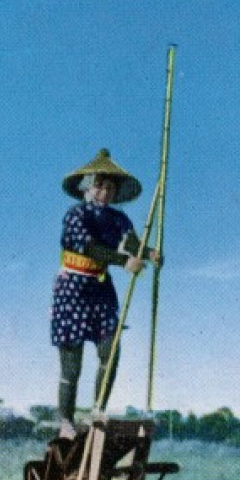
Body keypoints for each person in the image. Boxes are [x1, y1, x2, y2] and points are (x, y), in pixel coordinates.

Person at [51, 148, 162, 437]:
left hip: (101, 290)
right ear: (88, 187)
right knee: (72, 361)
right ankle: (65, 420)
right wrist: (124, 261)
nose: (104, 193)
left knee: (109, 350)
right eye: (99, 186)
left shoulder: (119, 220)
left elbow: (132, 245)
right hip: (73, 288)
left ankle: (97, 410)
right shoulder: (75, 216)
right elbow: (88, 247)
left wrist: (150, 253)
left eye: (110, 188)